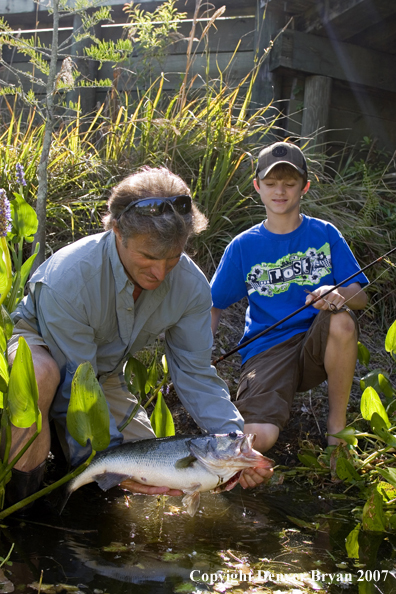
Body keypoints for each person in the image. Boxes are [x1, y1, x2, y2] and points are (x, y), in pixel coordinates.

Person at [7, 167, 270, 504]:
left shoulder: (191, 287)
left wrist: (235, 443)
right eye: (147, 257)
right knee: (42, 378)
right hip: (38, 351)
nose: (160, 272)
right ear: (117, 230)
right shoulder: (71, 277)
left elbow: (196, 373)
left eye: (173, 258)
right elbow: (74, 385)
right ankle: (19, 515)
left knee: (156, 488)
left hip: (101, 376)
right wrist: (107, 461)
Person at [210, 142, 368, 453]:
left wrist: (337, 294)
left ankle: (337, 428)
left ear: (304, 187)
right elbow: (213, 304)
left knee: (342, 322)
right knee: (257, 440)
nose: (279, 191)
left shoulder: (325, 233)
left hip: (317, 345)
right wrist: (200, 359)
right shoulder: (244, 246)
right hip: (267, 350)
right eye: (270, 183)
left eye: (289, 183)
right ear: (257, 187)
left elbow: (360, 296)